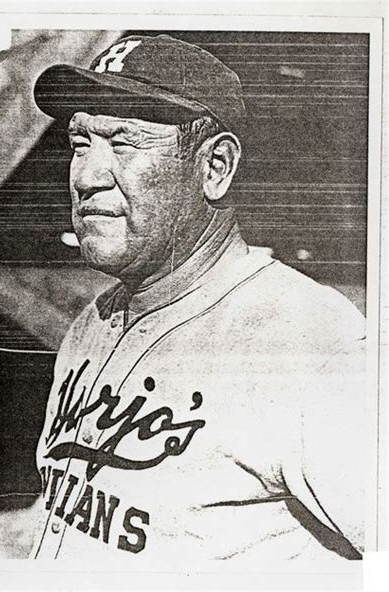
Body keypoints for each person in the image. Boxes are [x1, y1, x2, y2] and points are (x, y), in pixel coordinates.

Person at [30, 34, 365, 567]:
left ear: (214, 168)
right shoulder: (94, 320)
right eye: (79, 143)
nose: (86, 176)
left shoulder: (309, 345)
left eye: (124, 143)